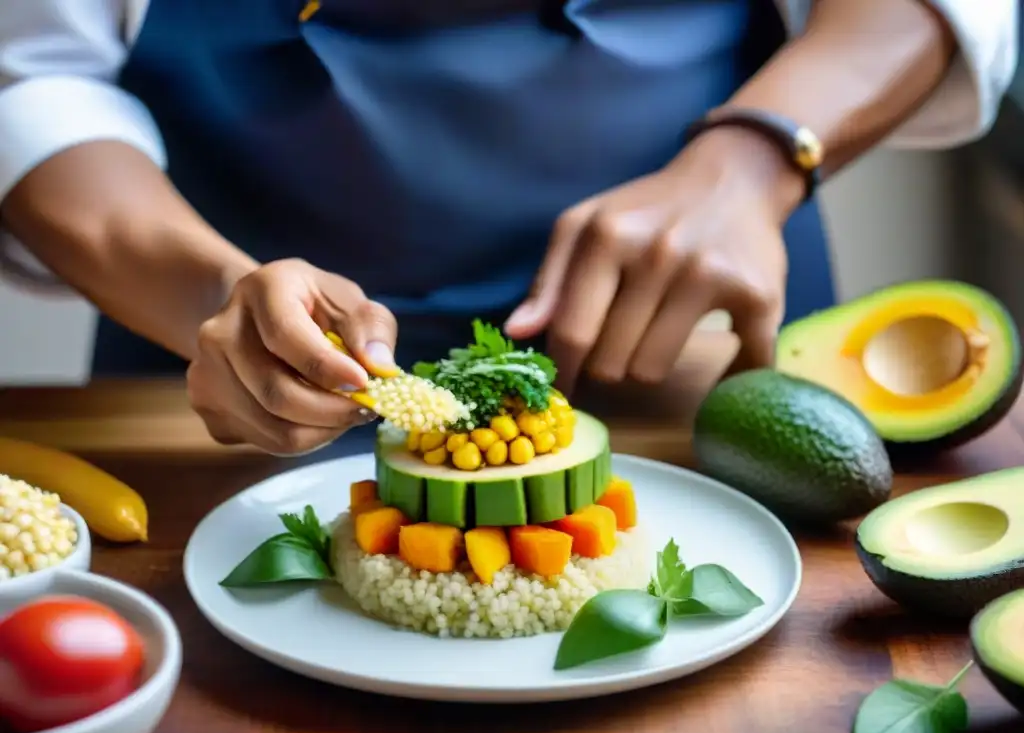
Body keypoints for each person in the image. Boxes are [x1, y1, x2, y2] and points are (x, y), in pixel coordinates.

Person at [0, 0, 1017, 458]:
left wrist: (750, 161)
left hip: (703, 377)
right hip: (214, 408)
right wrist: (214, 298)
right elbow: (31, 77)